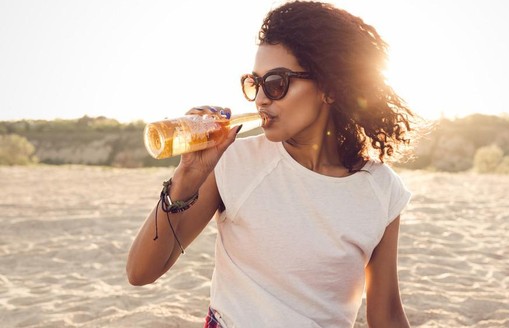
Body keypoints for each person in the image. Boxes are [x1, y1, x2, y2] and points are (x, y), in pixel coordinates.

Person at [127, 1, 416, 327]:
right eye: (255, 83)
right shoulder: (234, 160)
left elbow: (387, 314)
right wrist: (188, 175)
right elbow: (141, 272)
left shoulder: (380, 189)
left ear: (330, 88)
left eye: (276, 83)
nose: (262, 98)